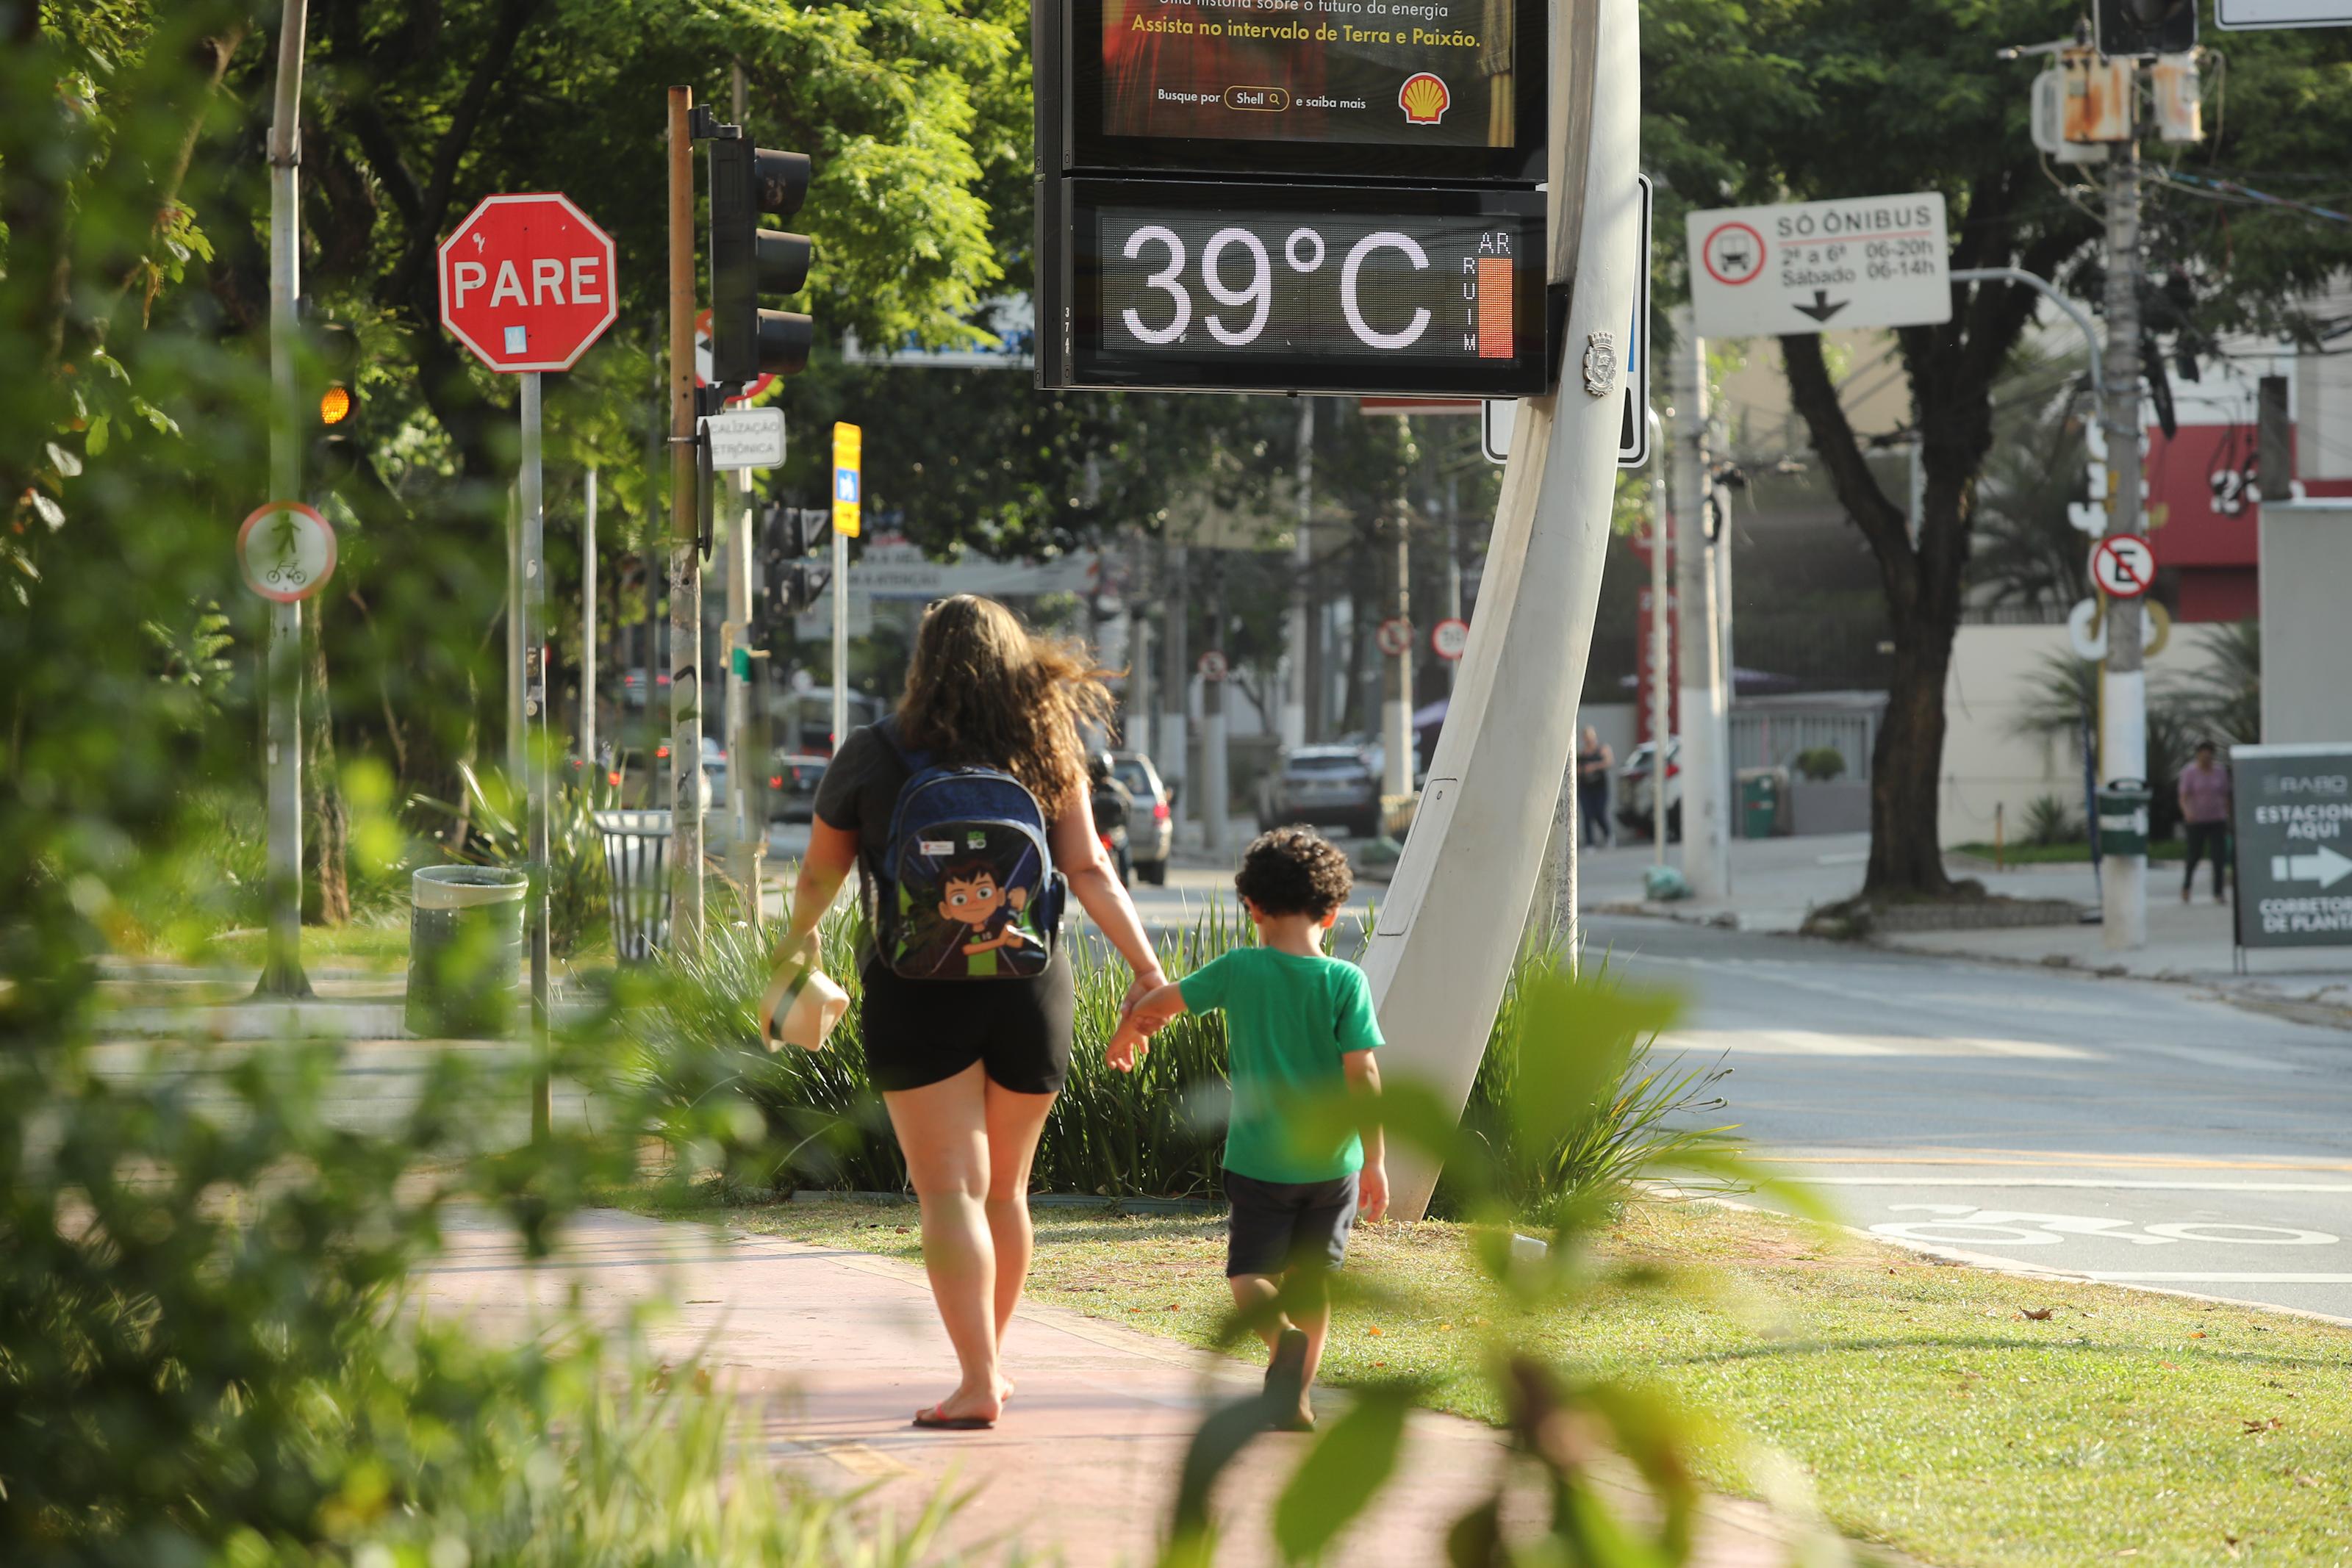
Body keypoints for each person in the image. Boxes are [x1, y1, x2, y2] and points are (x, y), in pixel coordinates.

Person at [779, 595, 1168, 1431]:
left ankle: (978, 1377)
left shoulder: (872, 754)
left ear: (924, 662)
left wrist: (796, 947)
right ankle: (985, 1366)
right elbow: (1091, 870)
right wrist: (1146, 967)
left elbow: (819, 875)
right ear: (1012, 661)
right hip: (1031, 987)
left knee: (947, 1188)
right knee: (1007, 1192)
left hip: (914, 990)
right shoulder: (1044, 747)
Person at [1107, 825, 1386, 1433]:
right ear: (1333, 913)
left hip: (1259, 1161)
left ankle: (1279, 1341)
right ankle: (1298, 1398)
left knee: (1250, 1275)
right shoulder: (1346, 983)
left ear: (1252, 906)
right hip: (1334, 1164)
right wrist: (1375, 1161)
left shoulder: (1239, 970)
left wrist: (1130, 1032)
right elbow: (1364, 1075)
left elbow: (1160, 1005)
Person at [2179, 740, 2231, 903]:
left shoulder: (2219, 771)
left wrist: (2227, 813)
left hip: (2217, 819)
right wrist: (2187, 812)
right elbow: (2184, 795)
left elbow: (2226, 794)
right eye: (2203, 755)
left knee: (2218, 857)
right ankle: (2187, 886)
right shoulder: (2190, 772)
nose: (2206, 759)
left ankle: (2218, 892)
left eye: (2209, 755)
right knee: (2194, 855)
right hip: (2196, 820)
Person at [1090, 751, 1135, 883]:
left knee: (1124, 848)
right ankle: (1125, 880)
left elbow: (1128, 805)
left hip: (1107, 834)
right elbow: (1130, 804)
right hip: (1097, 834)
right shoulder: (1116, 787)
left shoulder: (1114, 787)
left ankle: (1125, 880)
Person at [1577, 725, 1615, 848]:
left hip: (1600, 787)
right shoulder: (1582, 754)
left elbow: (1609, 762)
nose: (1589, 741)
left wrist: (1593, 767)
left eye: (1591, 738)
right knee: (1587, 814)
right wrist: (1584, 770)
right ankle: (1589, 843)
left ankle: (1608, 835)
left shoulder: (1602, 749)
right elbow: (1575, 769)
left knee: (1599, 812)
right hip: (1586, 788)